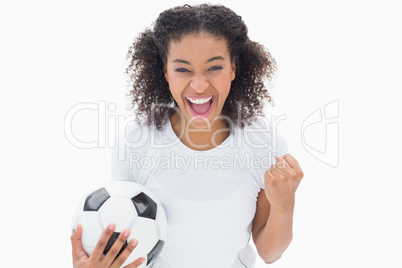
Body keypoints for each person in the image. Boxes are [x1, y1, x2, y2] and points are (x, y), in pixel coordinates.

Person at [71, 3, 304, 268]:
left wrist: (284, 205)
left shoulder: (264, 143)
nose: (200, 84)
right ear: (165, 71)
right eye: (183, 69)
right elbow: (125, 239)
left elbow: (269, 253)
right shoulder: (135, 143)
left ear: (233, 68)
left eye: (214, 67)